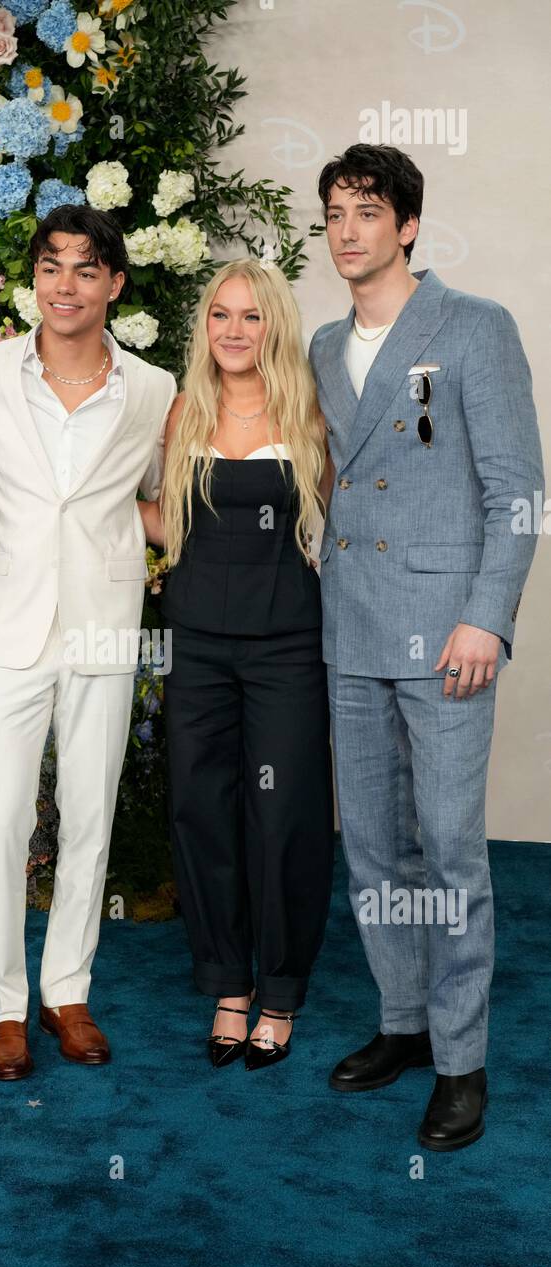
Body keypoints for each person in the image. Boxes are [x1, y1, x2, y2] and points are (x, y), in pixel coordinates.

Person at [308, 144, 545, 1150]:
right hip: (351, 627)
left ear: (405, 224)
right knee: (370, 846)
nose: (346, 230)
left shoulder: (473, 328)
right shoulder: (321, 345)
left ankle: (459, 1059)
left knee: (448, 850)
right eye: (332, 214)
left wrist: (485, 614)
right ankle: (400, 1021)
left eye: (366, 211)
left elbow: (516, 492)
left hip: (446, 632)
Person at [0, 205, 177, 1080]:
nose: (67, 286)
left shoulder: (154, 389)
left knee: (89, 812)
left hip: (103, 625)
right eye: (52, 267)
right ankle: (6, 1005)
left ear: (115, 284)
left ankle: (66, 990)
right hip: (8, 624)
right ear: (33, 279)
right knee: (4, 817)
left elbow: (162, 503)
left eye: (87, 269)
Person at [140, 255, 335, 1069]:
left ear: (274, 326)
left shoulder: (310, 411)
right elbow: (161, 521)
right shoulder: (184, 409)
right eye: (220, 315)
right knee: (201, 807)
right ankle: (226, 979)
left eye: (250, 316)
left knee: (285, 814)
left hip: (287, 642)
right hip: (195, 642)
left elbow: (350, 522)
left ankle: (281, 988)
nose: (233, 330)